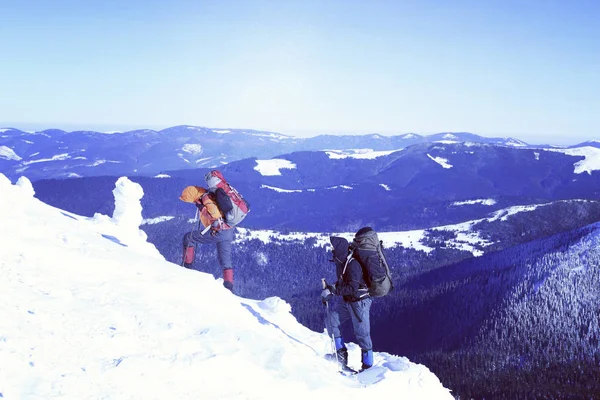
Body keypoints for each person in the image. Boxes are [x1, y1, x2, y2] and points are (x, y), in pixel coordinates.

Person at [321, 236, 374, 371]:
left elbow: (352, 287)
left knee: (362, 334)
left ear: (339, 249)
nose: (332, 250)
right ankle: (340, 357)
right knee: (332, 320)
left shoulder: (353, 264)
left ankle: (368, 368)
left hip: (360, 302)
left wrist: (333, 290)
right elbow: (342, 283)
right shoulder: (341, 263)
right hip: (348, 300)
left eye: (333, 248)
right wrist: (330, 289)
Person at [179, 185, 235, 292]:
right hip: (228, 231)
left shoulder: (206, 199)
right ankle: (229, 288)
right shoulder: (208, 196)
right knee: (225, 260)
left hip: (218, 231)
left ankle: (186, 267)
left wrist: (203, 209)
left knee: (189, 238)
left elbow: (215, 216)